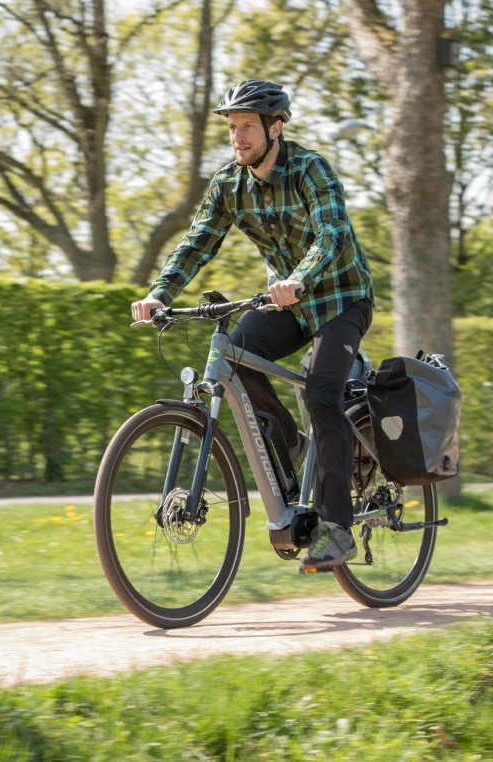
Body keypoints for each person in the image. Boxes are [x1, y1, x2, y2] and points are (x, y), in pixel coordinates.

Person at [131, 79, 374, 573]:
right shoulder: (229, 184)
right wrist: (161, 293)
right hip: (287, 302)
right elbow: (198, 242)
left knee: (322, 393)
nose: (237, 137)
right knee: (234, 358)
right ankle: (291, 442)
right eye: (232, 127)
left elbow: (330, 234)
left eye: (247, 126)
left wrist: (300, 279)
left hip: (340, 299)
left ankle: (337, 528)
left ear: (275, 127)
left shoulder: (310, 169)